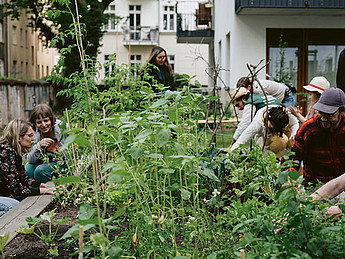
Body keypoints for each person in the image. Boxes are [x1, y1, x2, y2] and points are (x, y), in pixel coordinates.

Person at [291, 87, 345, 186]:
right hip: (315, 185)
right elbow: (292, 158)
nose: (323, 119)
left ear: (342, 112)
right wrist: (289, 180)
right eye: (321, 113)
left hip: (342, 184)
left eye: (329, 115)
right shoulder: (308, 129)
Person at [0, 119, 53, 216]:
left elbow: (22, 177)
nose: (33, 139)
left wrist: (41, 185)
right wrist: (41, 191)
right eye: (29, 136)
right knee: (15, 207)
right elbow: (15, 190)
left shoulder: (14, 151)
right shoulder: (5, 152)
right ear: (18, 137)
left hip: (4, 195)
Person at [230, 106, 299, 158]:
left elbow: (295, 124)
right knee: (266, 156)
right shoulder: (257, 124)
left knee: (284, 143)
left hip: (280, 137)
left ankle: (282, 160)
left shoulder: (287, 116)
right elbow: (241, 141)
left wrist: (292, 138)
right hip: (262, 137)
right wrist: (228, 156)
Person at [24, 104, 66, 183]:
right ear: (35, 123)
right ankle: (33, 187)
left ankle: (44, 186)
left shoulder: (61, 127)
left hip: (60, 163)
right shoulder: (32, 133)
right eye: (39, 122)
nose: (43, 125)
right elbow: (30, 159)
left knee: (39, 172)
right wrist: (39, 146)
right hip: (40, 161)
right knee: (27, 171)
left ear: (51, 119)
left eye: (46, 120)